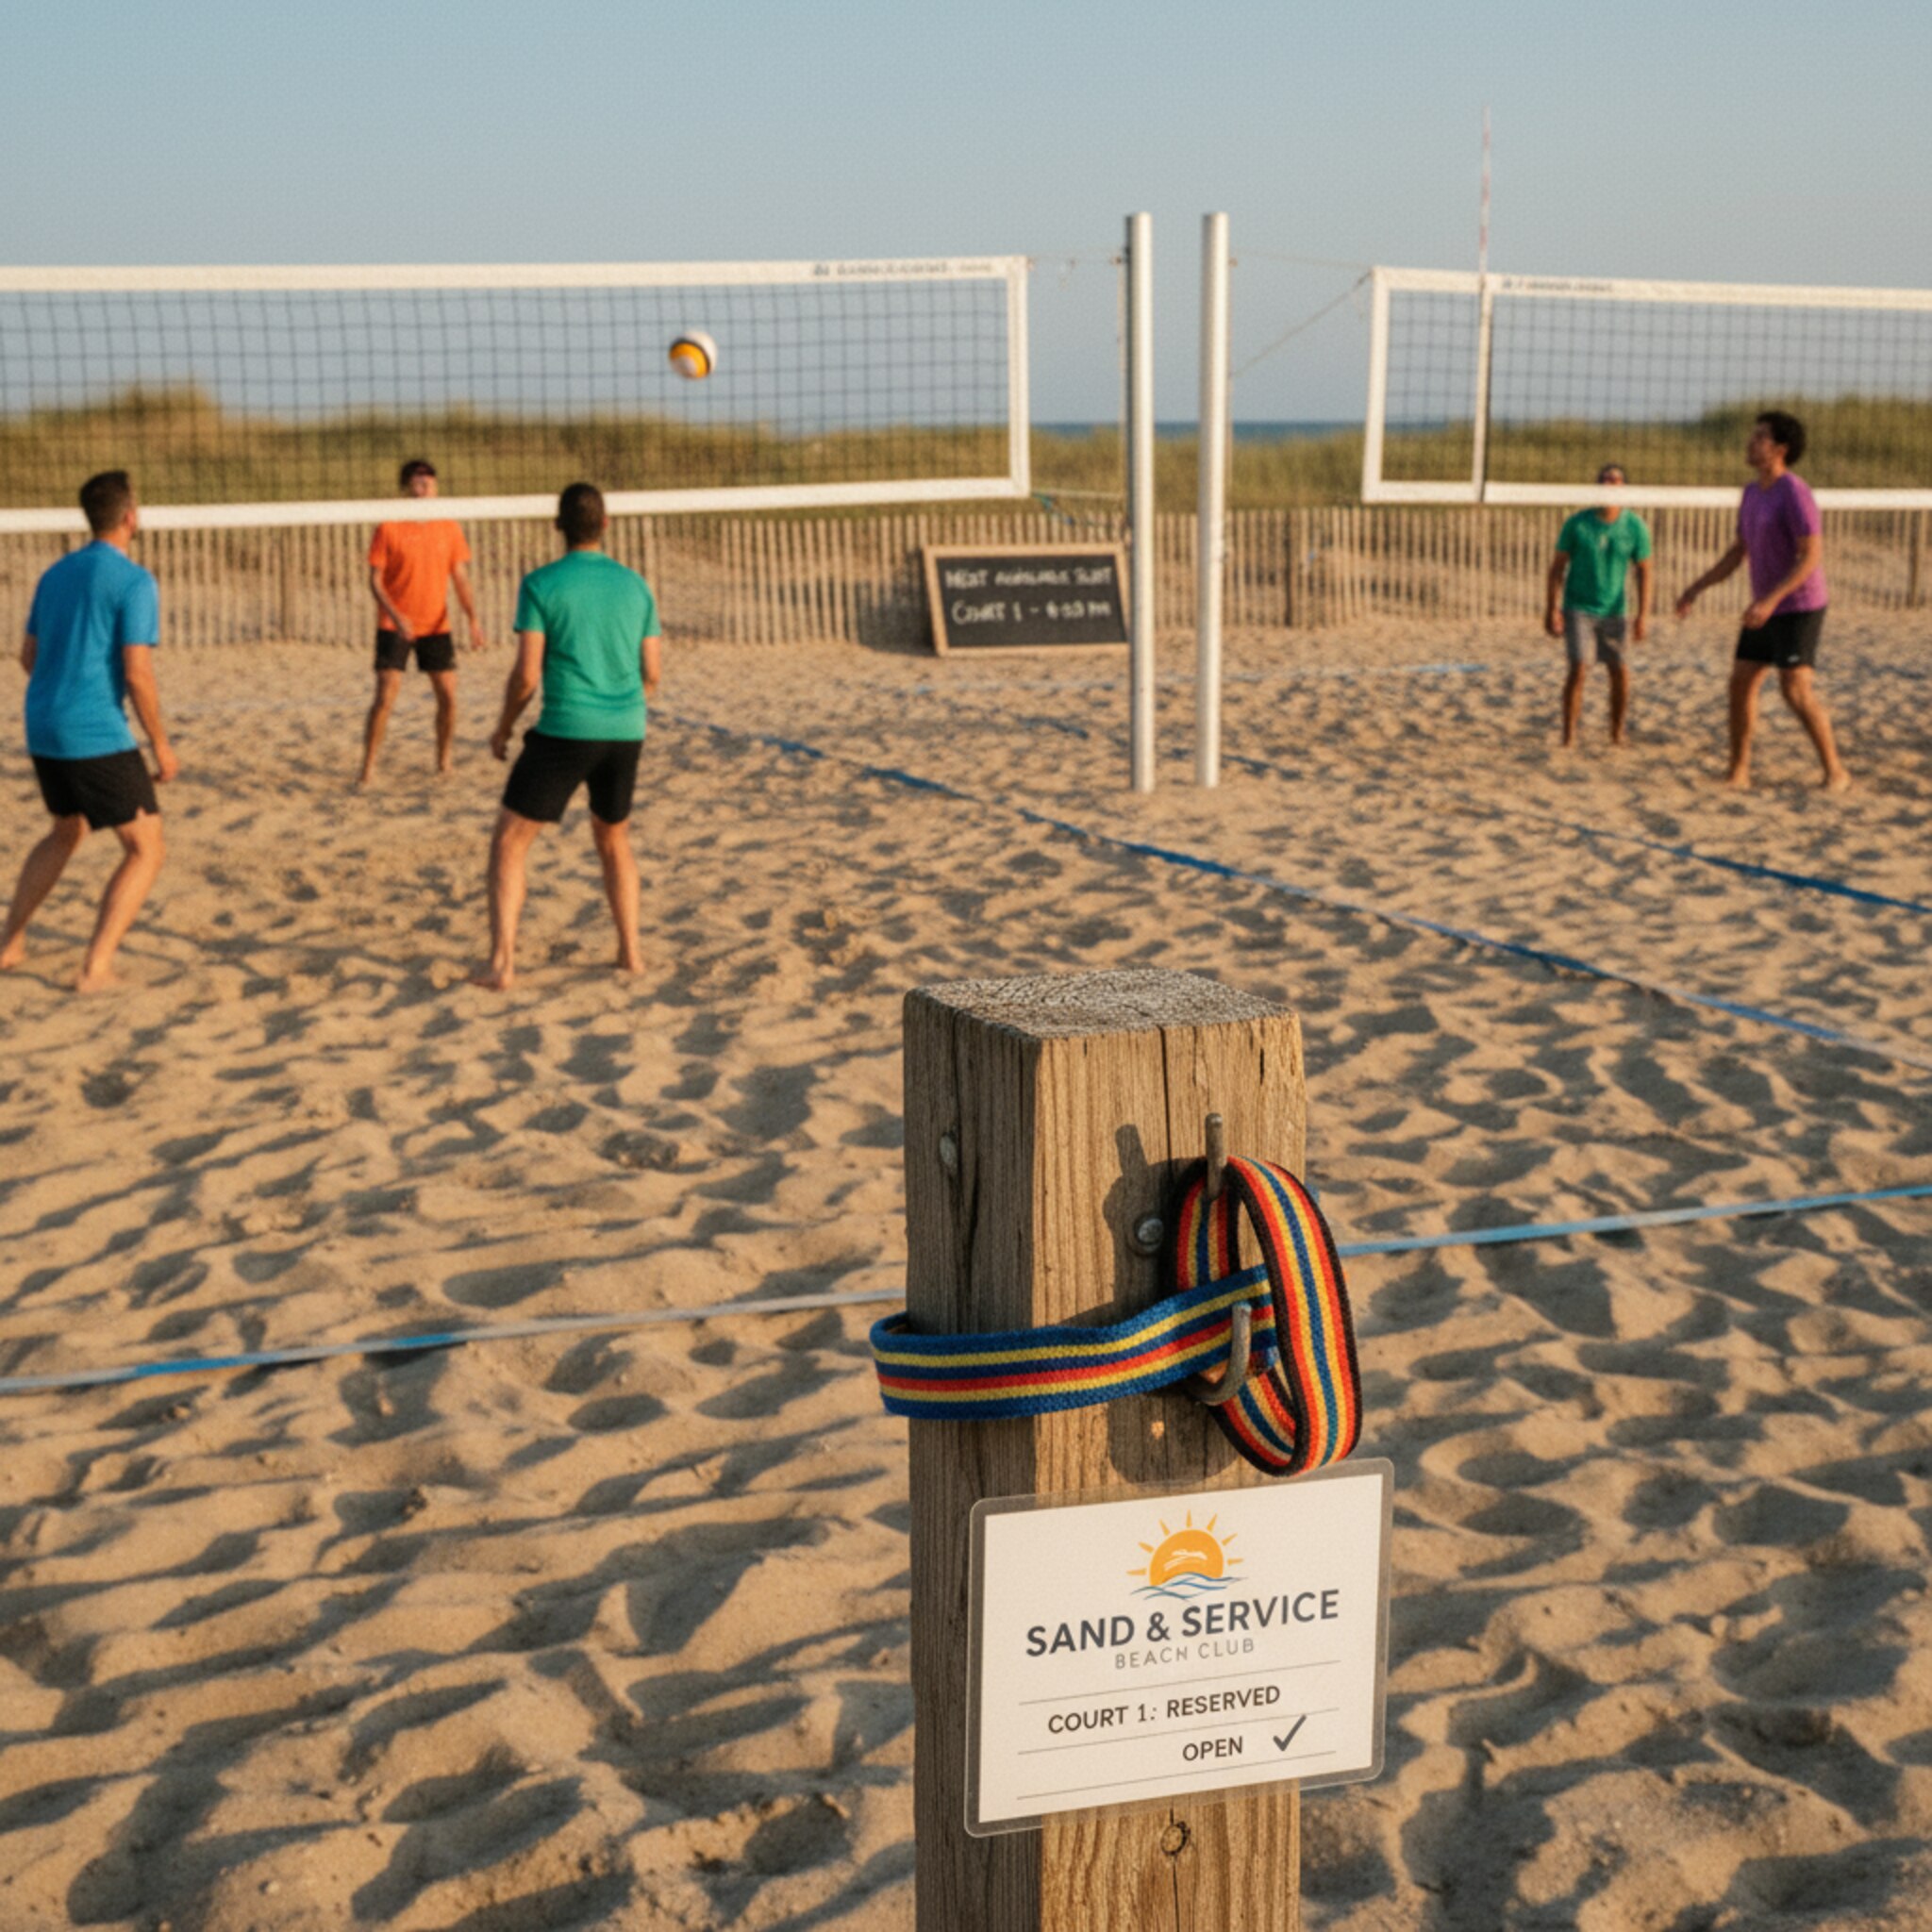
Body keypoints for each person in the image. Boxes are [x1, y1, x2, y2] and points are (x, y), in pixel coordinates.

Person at [475, 482, 662, 991]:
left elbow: (527, 676)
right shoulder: (635, 586)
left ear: (557, 527)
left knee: (510, 842)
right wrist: (621, 703)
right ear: (605, 525)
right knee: (614, 839)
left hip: (566, 729)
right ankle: (631, 955)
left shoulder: (541, 584)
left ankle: (502, 965)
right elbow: (652, 671)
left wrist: (504, 727)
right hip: (626, 731)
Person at [1, 471, 177, 992]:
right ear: (130, 516)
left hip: (42, 724)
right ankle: (95, 968)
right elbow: (138, 672)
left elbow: (28, 656)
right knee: (147, 848)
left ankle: (10, 941)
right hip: (93, 730)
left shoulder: (56, 573)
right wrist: (162, 746)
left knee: (66, 830)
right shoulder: (133, 580)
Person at [1675, 410, 1851, 791]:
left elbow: (1810, 557)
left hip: (1799, 605)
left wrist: (1771, 600)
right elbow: (1738, 552)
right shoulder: (1752, 493)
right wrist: (1696, 588)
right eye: (1752, 435)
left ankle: (1836, 772)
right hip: (1765, 605)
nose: (1750, 442)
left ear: (1779, 450)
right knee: (1740, 682)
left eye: (1759, 437)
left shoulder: (1795, 493)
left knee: (1795, 689)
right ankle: (1738, 771)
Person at [358, 458, 486, 786]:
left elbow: (460, 577)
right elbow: (375, 580)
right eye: (418, 480)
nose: (426, 485)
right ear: (406, 488)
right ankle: (368, 767)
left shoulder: (448, 526)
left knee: (448, 696)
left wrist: (473, 619)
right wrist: (396, 615)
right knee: (385, 696)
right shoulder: (389, 525)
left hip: (435, 625)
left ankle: (444, 762)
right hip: (394, 623)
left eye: (430, 479)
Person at [1545, 462, 1653, 747]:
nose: (1609, 485)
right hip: (1578, 607)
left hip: (1616, 611)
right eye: (1604, 480)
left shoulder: (1634, 526)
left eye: (1615, 481)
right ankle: (1569, 736)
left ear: (1623, 488)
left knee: (1620, 671)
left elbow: (1644, 571)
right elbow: (1556, 568)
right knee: (1579, 667)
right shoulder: (1577, 524)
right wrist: (1551, 608)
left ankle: (1616, 733)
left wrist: (1643, 615)